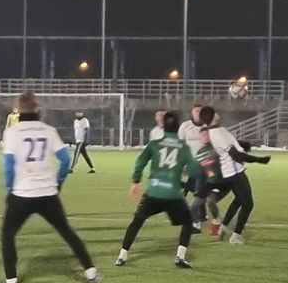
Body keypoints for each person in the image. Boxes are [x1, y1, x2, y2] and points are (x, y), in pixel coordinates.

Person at [0, 93, 100, 283]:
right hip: (47, 193)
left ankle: (11, 281)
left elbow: (8, 166)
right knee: (67, 232)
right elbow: (65, 160)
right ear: (37, 109)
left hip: (23, 193)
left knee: (8, 234)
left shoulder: (12, 132)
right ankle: (91, 273)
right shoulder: (48, 130)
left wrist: (10, 189)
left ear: (19, 109)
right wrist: (58, 182)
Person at [115, 111, 198, 269]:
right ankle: (180, 256)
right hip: (173, 195)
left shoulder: (154, 144)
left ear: (163, 127)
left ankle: (122, 256)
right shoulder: (184, 147)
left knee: (137, 221)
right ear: (178, 127)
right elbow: (194, 170)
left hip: (153, 192)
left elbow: (140, 161)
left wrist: (135, 181)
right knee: (188, 222)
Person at [206, 107, 270, 244]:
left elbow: (233, 146)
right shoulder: (218, 133)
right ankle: (236, 236)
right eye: (215, 112)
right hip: (235, 173)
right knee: (248, 204)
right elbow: (235, 155)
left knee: (239, 200)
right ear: (212, 116)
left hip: (230, 172)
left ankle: (223, 226)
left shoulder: (217, 130)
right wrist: (259, 160)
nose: (218, 114)